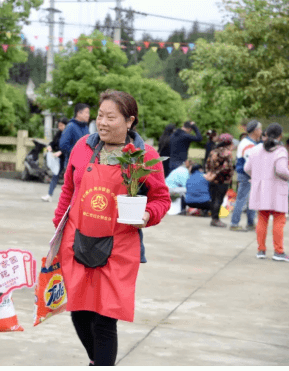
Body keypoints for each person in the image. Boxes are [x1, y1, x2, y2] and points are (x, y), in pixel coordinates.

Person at [52, 90, 170, 366]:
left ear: (129, 121)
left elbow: (161, 199)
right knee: (79, 313)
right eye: (99, 116)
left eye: (110, 117)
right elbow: (69, 190)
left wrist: (146, 216)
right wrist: (58, 229)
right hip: (77, 240)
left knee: (104, 319)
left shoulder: (143, 155)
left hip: (118, 247)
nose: (102, 123)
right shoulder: (83, 146)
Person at [245, 123, 289, 262]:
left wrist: (257, 176)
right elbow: (281, 170)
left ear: (266, 134)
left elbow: (247, 168)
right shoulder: (280, 150)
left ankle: (261, 250)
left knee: (262, 218)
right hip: (276, 190)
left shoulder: (255, 149)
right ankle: (278, 252)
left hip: (261, 189)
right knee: (279, 220)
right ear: (280, 135)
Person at [229, 120, 262, 232]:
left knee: (250, 200)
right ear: (255, 130)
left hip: (248, 175)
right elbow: (250, 164)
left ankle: (250, 223)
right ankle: (234, 223)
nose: (261, 131)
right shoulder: (248, 144)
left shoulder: (249, 142)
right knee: (242, 199)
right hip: (247, 175)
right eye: (260, 129)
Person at [205, 133, 235, 228]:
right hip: (222, 180)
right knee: (219, 199)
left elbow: (207, 164)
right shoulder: (227, 153)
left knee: (213, 199)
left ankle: (213, 218)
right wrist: (217, 174)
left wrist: (211, 174)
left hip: (212, 179)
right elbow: (227, 168)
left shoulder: (213, 151)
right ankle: (215, 219)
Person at [42, 117, 68, 202]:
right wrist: (50, 146)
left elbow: (69, 146)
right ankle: (49, 195)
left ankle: (70, 198)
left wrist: (61, 151)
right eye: (59, 125)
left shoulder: (68, 133)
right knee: (55, 175)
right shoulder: (59, 133)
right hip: (59, 158)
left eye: (61, 125)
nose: (59, 127)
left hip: (67, 158)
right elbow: (53, 142)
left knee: (69, 178)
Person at [59, 103, 90, 167]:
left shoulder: (85, 127)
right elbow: (63, 145)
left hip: (84, 164)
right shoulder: (71, 126)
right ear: (78, 113)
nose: (88, 115)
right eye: (86, 112)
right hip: (72, 165)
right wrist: (77, 154)